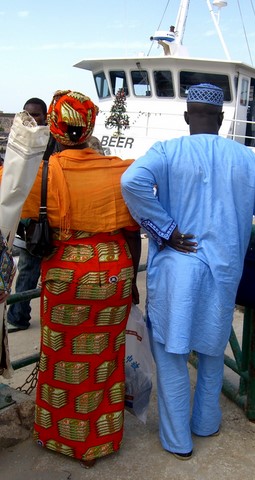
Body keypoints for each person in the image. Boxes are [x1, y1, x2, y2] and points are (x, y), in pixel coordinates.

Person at [121, 83, 255, 460]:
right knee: (213, 351)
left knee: (171, 353)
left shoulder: (167, 151)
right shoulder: (245, 158)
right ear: (221, 118)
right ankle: (206, 423)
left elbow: (131, 181)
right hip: (224, 271)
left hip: (176, 272)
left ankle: (179, 441)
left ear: (186, 117)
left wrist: (165, 229)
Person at [21, 90, 141, 468]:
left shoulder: (43, 174)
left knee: (62, 356)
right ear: (90, 127)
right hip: (114, 275)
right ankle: (98, 441)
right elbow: (133, 231)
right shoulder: (121, 170)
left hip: (67, 277)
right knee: (105, 355)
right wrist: (134, 282)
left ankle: (60, 438)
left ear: (55, 127)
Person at [7, 98, 52, 331]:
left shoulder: (51, 142)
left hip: (47, 218)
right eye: (28, 114)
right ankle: (18, 314)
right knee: (27, 271)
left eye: (36, 115)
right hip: (27, 221)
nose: (32, 119)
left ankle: (21, 313)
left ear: (46, 116)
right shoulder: (23, 141)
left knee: (39, 271)